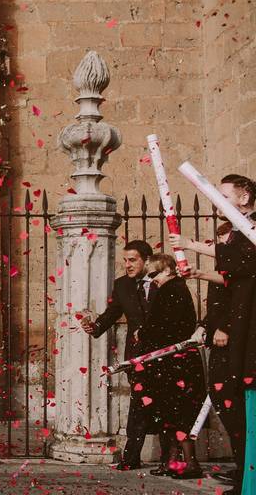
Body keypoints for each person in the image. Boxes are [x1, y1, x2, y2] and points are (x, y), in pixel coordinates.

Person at [173, 174, 256, 494]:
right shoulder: (237, 232)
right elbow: (235, 278)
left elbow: (246, 264)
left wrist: (193, 245)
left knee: (239, 400)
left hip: (247, 330)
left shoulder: (250, 229)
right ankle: (246, 470)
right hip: (238, 327)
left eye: (223, 195)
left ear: (245, 196)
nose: (217, 201)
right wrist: (200, 272)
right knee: (229, 399)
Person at [83, 239, 157, 470]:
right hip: (136, 355)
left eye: (132, 260)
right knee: (138, 406)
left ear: (147, 261)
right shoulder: (123, 285)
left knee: (165, 406)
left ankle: (172, 458)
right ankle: (131, 457)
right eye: (125, 260)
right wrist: (95, 327)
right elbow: (113, 312)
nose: (127, 265)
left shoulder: (161, 282)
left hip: (162, 353)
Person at [133, 253, 205, 479]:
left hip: (175, 361)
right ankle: (172, 460)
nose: (151, 280)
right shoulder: (173, 289)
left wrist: (142, 333)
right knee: (170, 412)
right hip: (173, 361)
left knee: (178, 411)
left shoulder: (172, 290)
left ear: (167, 270)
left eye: (154, 274)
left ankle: (188, 462)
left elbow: (165, 325)